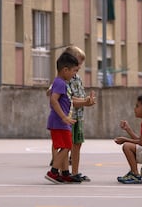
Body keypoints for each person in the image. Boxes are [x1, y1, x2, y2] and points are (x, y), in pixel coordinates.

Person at [48, 46, 96, 182]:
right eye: (77, 63)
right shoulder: (63, 80)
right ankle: (58, 171)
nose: (79, 67)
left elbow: (75, 96)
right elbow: (67, 99)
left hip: (77, 117)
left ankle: (71, 173)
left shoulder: (75, 77)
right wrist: (84, 102)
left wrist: (87, 100)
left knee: (75, 144)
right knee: (65, 145)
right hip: (68, 117)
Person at [45, 52, 81, 184]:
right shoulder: (60, 83)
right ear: (65, 70)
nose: (74, 74)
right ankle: (53, 172)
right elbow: (53, 101)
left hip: (60, 122)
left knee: (66, 146)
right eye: (74, 71)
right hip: (59, 122)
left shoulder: (59, 82)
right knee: (66, 146)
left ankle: (65, 173)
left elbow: (67, 100)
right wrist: (64, 117)